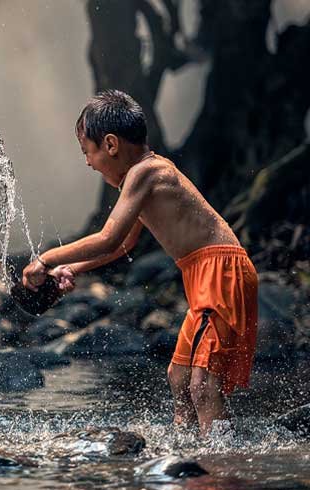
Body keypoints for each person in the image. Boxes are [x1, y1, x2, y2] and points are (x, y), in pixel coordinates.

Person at [22, 90, 258, 437]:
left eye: (87, 151)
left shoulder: (146, 172)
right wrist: (73, 269)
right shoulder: (141, 178)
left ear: (112, 145)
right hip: (205, 274)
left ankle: (220, 468)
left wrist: (45, 259)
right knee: (179, 378)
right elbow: (122, 246)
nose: (88, 162)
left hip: (220, 273)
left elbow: (108, 238)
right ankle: (186, 451)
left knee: (204, 384)